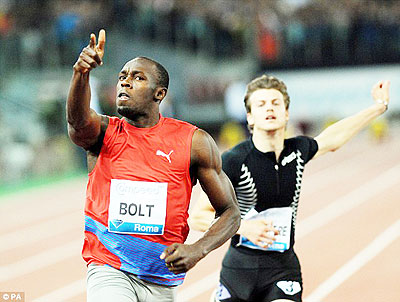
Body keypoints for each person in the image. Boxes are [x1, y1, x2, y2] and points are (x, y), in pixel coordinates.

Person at [66, 29, 241, 302]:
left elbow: (230, 211)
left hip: (161, 277)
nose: (125, 83)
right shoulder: (102, 132)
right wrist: (81, 73)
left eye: (137, 78)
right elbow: (77, 121)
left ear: (159, 94)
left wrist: (197, 249)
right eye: (122, 77)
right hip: (109, 267)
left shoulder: (193, 141)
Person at [190, 74, 390, 302]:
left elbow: (332, 139)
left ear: (286, 114)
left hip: (282, 269)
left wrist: (378, 108)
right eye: (261, 104)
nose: (269, 109)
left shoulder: (297, 150)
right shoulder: (235, 161)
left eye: (276, 103)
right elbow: (197, 217)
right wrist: (244, 228)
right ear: (250, 117)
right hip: (239, 271)